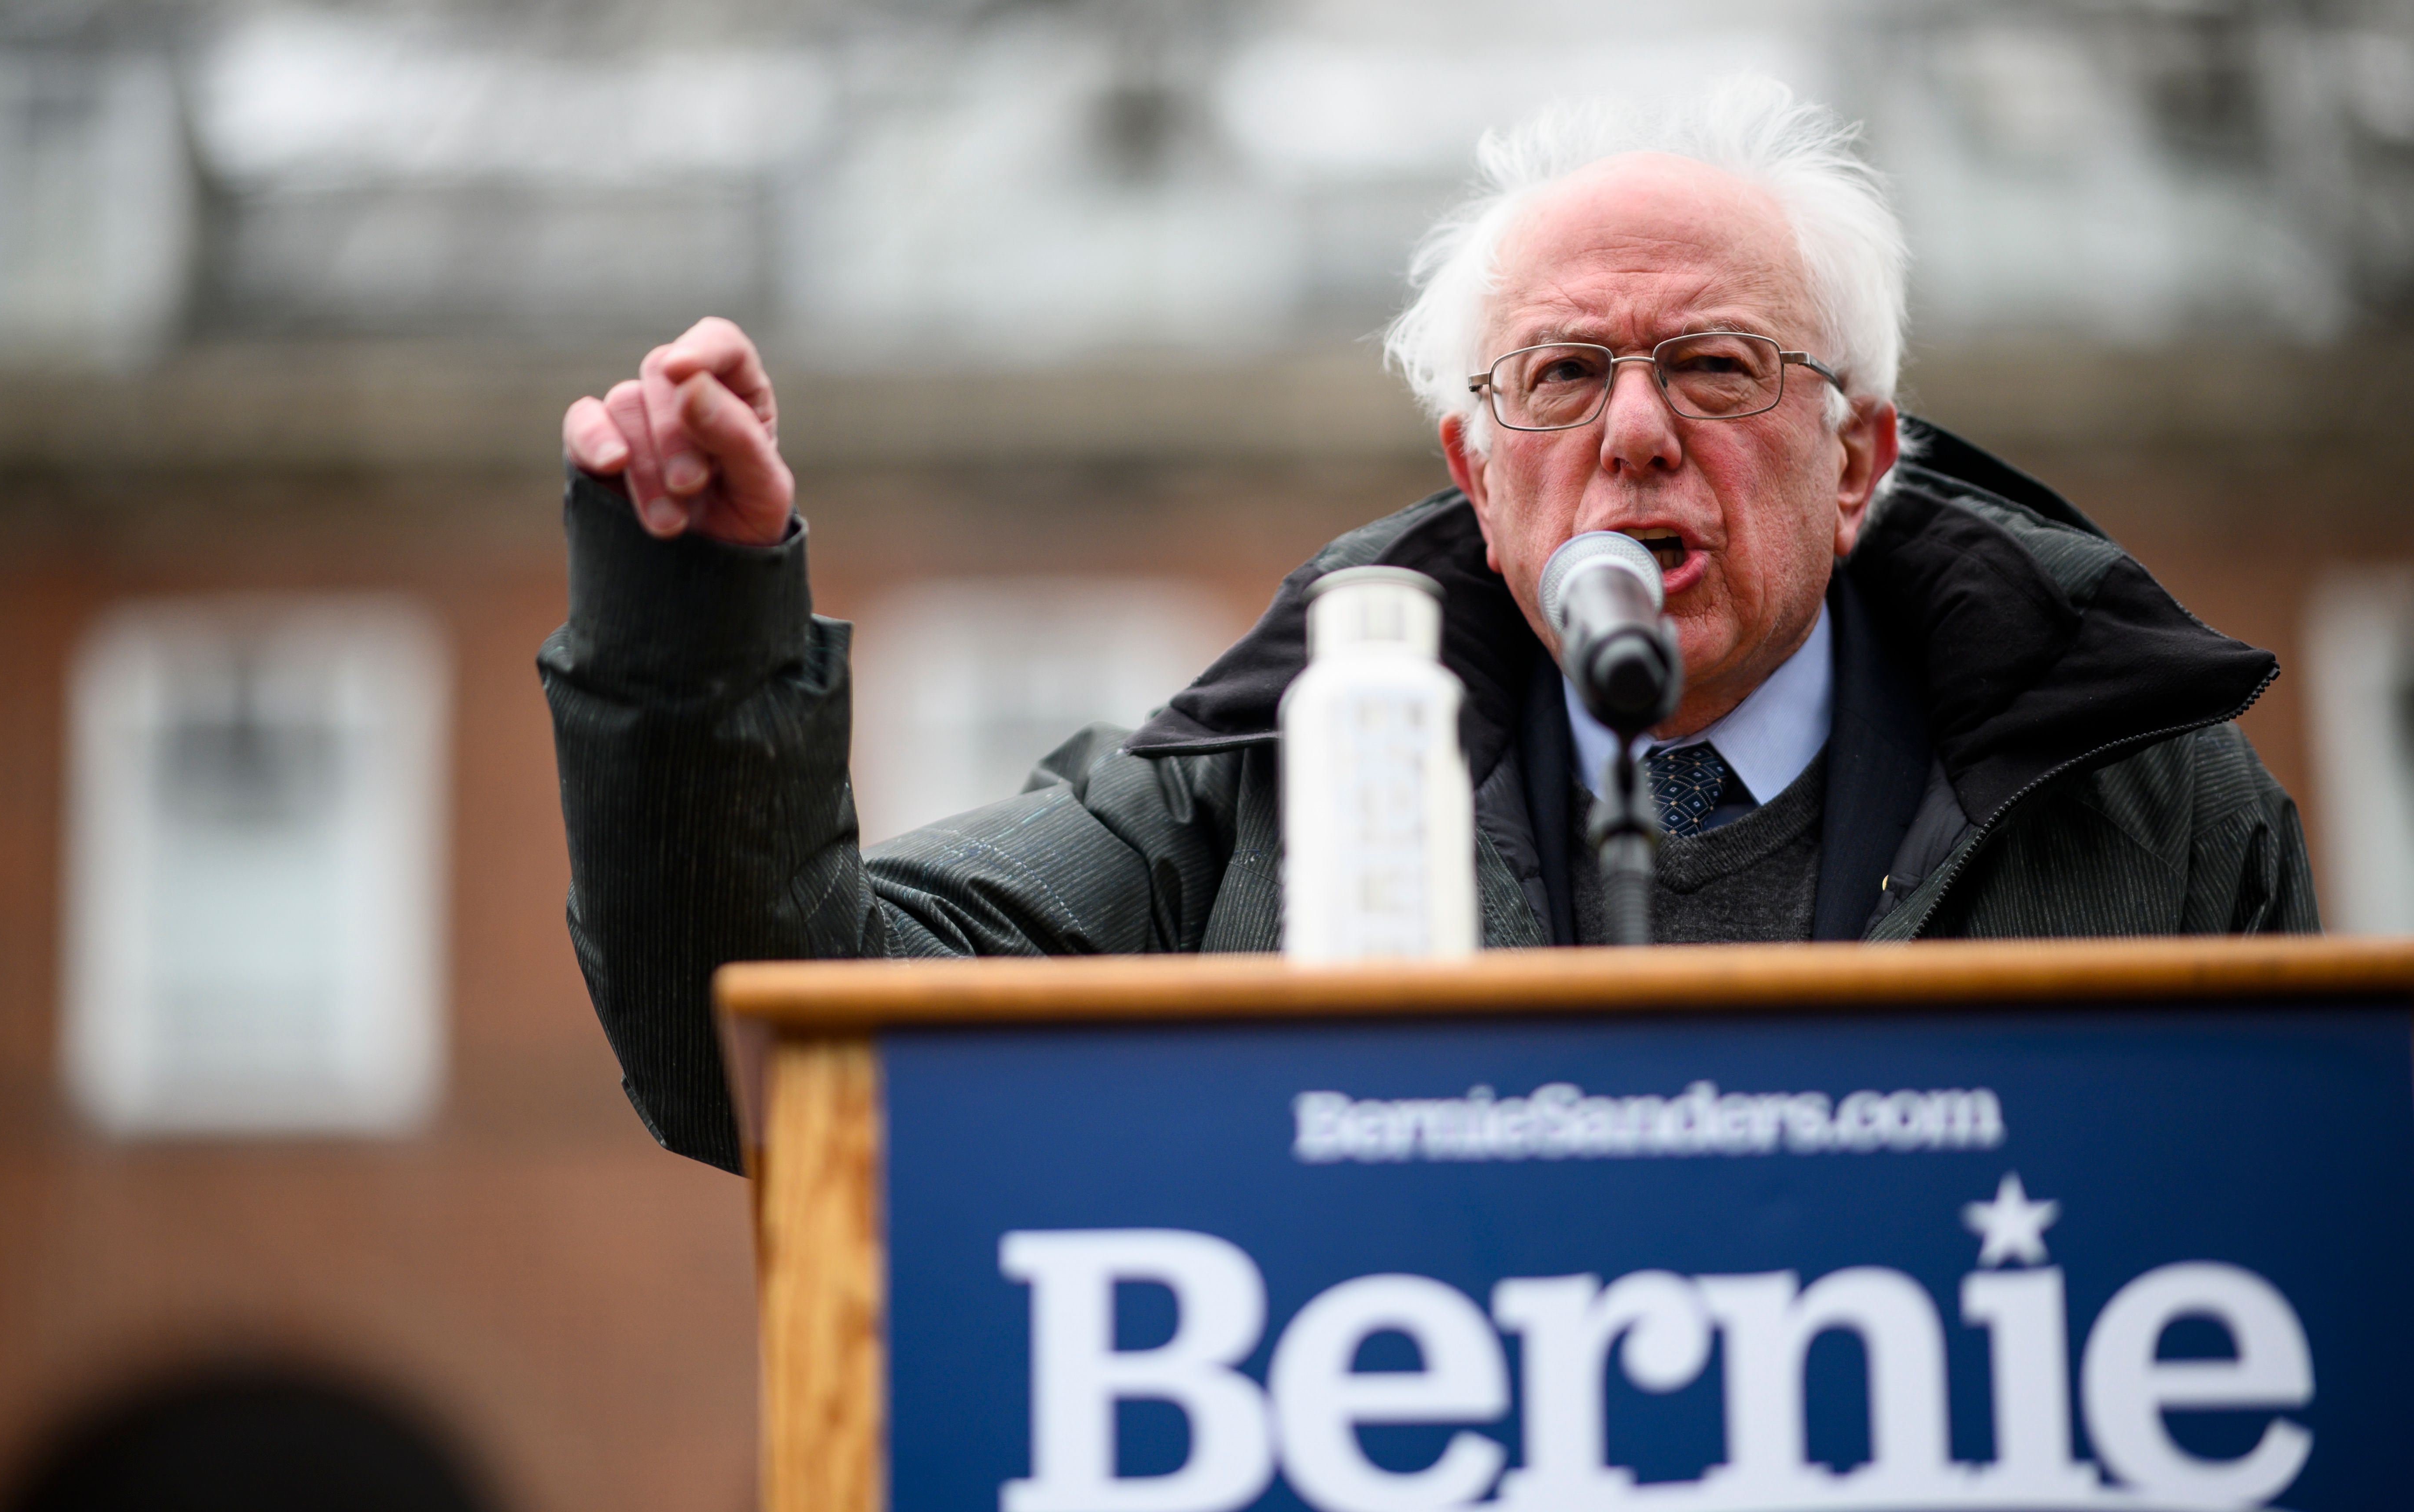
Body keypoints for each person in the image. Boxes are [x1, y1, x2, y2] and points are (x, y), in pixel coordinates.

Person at [540, 79, 2315, 1174]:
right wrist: (694, 622)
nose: (1631, 431)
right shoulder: (1242, 793)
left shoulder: (2155, 810)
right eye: (1559, 376)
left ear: (1855, 460)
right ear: (1476, 473)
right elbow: (760, 1043)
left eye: (1711, 365)